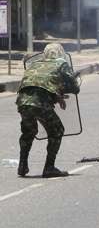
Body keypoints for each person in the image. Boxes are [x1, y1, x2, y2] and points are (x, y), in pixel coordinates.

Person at [16, 43, 80, 178]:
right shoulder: (61, 64)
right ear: (60, 53)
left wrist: (57, 96)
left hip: (23, 102)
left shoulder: (35, 64)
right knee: (57, 130)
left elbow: (39, 85)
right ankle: (49, 167)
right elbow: (75, 88)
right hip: (40, 103)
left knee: (28, 132)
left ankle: (22, 165)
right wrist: (71, 83)